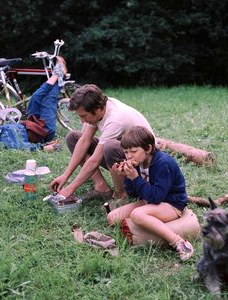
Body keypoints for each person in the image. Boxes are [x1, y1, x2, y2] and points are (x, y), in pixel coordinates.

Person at [50, 84, 154, 203]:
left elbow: (95, 160)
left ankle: (121, 194)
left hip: (144, 166)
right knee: (73, 137)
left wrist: (71, 188)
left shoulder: (115, 119)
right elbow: (84, 141)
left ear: (98, 109)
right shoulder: (101, 107)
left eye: (84, 116)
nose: (82, 121)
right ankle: (101, 187)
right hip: (126, 155)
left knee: (110, 147)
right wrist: (65, 175)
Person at [106, 126, 194, 261]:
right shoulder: (138, 162)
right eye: (126, 152)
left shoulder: (163, 163)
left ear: (148, 148)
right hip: (150, 201)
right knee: (112, 217)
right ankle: (146, 223)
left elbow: (157, 197)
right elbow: (133, 194)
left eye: (133, 151)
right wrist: (127, 176)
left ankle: (179, 242)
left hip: (171, 204)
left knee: (137, 214)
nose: (129, 156)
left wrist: (135, 177)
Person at [0, 57, 67, 152]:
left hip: (33, 120)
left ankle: (58, 75)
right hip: (44, 130)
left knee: (36, 97)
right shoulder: (7, 142)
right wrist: (45, 147)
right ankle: (59, 74)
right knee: (48, 99)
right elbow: (27, 147)